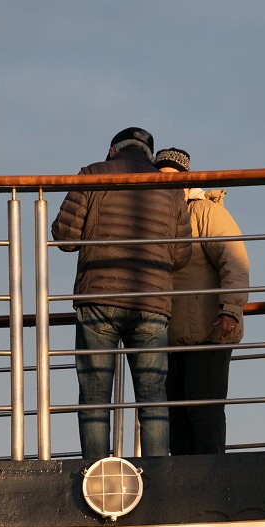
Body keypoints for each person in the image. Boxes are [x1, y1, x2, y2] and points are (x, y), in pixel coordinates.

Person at [51, 127, 193, 461]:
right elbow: (181, 255)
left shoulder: (92, 175)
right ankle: (158, 477)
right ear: (148, 154)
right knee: (153, 397)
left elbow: (65, 237)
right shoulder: (169, 188)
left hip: (99, 299)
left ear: (113, 151)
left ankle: (97, 477)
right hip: (152, 304)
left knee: (95, 397)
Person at [153, 147, 250, 454]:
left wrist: (231, 310)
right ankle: (183, 491)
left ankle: (213, 484)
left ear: (186, 179)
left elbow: (234, 261)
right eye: (159, 177)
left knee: (204, 415)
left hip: (208, 333)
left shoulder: (206, 211)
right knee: (175, 420)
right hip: (168, 338)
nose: (165, 183)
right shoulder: (155, 218)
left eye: (172, 177)